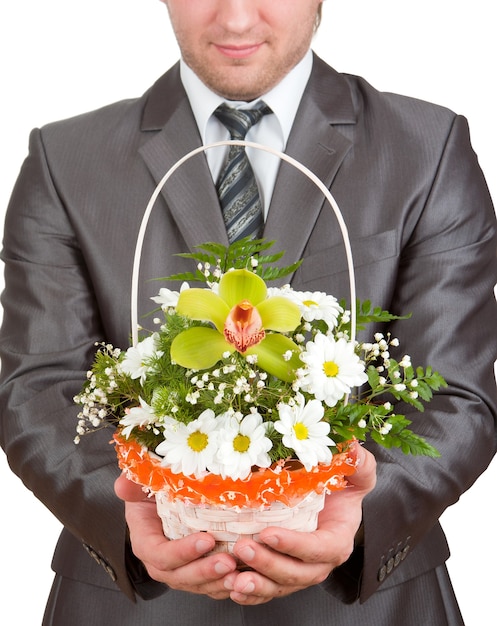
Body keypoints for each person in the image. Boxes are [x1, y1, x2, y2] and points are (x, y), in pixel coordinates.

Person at [1, 1, 496, 624]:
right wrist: (132, 511)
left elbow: (457, 394)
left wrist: (354, 519)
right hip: (136, 609)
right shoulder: (65, 159)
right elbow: (37, 387)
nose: (236, 20)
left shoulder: (427, 147)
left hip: (371, 606)